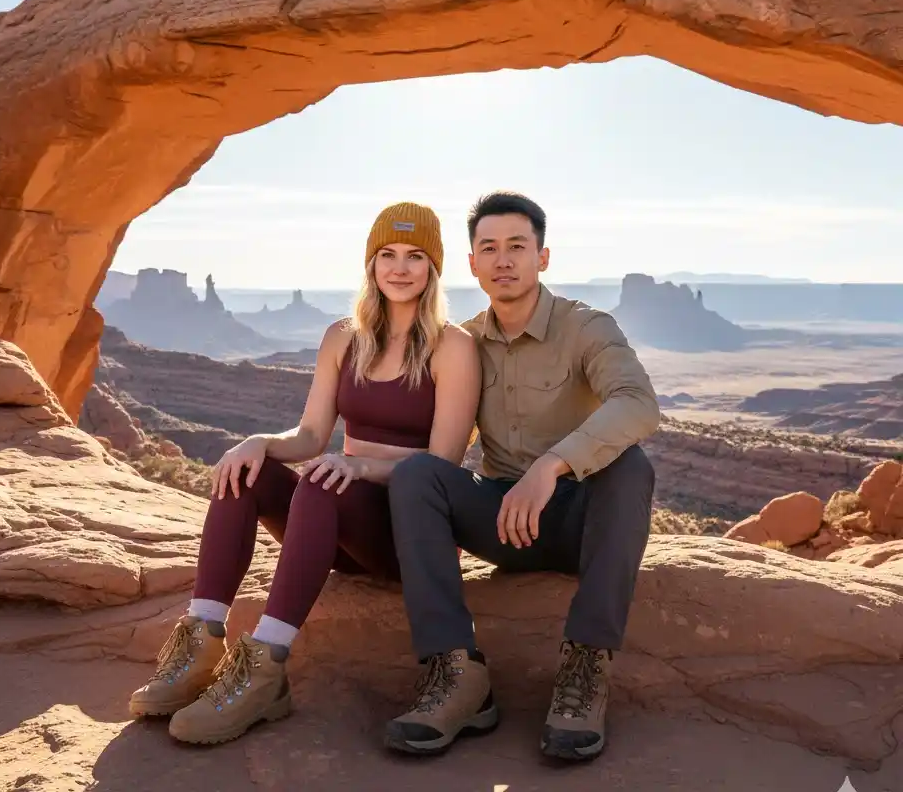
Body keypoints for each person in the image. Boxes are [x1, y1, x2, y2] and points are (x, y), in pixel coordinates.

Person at [128, 202, 480, 746]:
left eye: (415, 256)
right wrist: (258, 443)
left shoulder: (452, 346)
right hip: (334, 522)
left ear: (434, 268)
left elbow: (441, 466)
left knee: (322, 479)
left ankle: (265, 667)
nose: (400, 268)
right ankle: (201, 642)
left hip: (408, 536)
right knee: (246, 473)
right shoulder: (344, 335)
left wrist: (360, 464)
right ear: (370, 263)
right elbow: (312, 436)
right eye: (386, 254)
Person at [383, 191, 661, 762]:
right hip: (503, 522)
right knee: (418, 476)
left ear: (543, 257)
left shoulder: (586, 327)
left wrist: (551, 465)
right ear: (473, 264)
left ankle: (585, 668)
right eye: (489, 248)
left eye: (517, 246)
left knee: (631, 465)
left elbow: (639, 404)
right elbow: (430, 437)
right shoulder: (460, 342)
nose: (503, 259)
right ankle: (457, 673)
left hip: (579, 518)